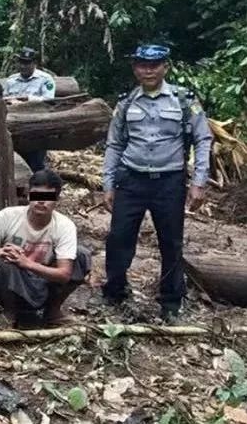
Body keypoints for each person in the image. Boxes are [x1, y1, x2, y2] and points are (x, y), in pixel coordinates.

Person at [102, 44, 213, 321]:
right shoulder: (127, 102)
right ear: (135, 68)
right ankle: (115, 291)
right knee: (119, 237)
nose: (148, 70)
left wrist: (199, 182)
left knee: (170, 242)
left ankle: (171, 301)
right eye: (142, 64)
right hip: (131, 179)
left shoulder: (183, 99)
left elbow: (203, 139)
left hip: (169, 181)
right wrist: (108, 183)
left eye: (154, 64)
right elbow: (114, 144)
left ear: (166, 67)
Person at [0, 170, 91, 327]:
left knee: (81, 255)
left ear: (56, 200)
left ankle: (53, 311)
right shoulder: (8, 216)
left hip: (46, 282)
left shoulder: (64, 225)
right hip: (14, 282)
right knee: (4, 262)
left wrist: (27, 263)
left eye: (48, 197)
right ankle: (11, 312)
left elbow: (65, 274)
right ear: (29, 195)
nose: (41, 202)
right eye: (37, 195)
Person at [2, 47, 56, 171]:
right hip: (14, 125)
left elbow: (49, 101)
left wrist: (27, 99)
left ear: (34, 64)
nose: (23, 66)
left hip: (36, 127)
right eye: (21, 62)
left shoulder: (45, 79)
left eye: (27, 63)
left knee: (35, 163)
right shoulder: (12, 80)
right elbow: (3, 100)